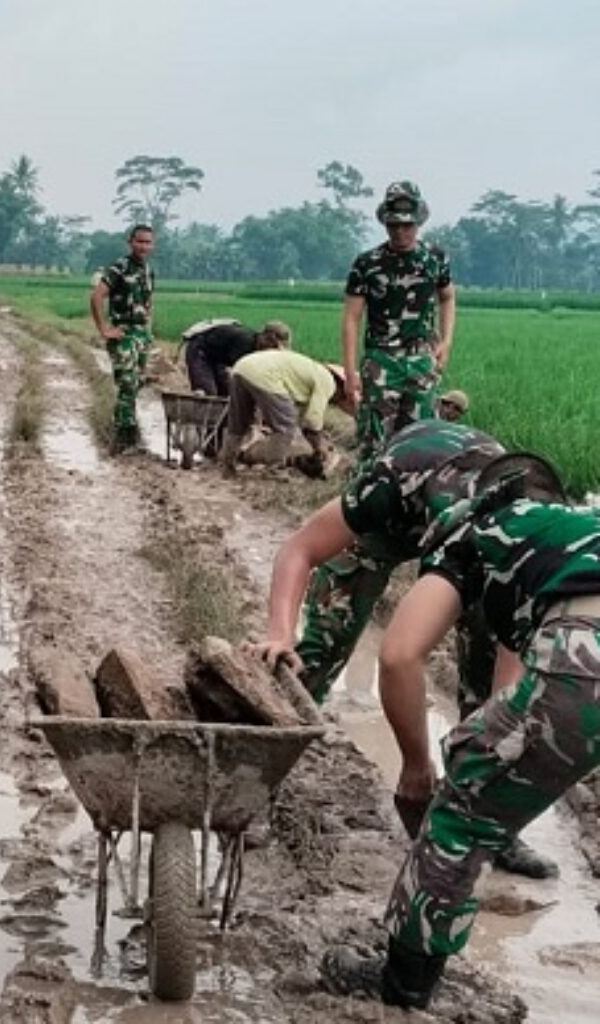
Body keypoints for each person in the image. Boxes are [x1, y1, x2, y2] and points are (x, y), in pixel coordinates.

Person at [322, 457, 594, 1010]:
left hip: (585, 652)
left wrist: (420, 767)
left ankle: (402, 987)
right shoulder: (565, 533)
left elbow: (398, 655)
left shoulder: (467, 531)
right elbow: (512, 691)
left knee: (462, 814)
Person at [251, 419, 558, 879]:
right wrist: (279, 632)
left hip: (469, 529)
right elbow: (301, 550)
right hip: (390, 519)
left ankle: (485, 824)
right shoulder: (390, 483)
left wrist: (490, 744)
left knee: (488, 673)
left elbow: (508, 670)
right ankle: (255, 789)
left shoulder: (532, 533)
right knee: (313, 653)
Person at [342, 181, 456, 459]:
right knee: (375, 442)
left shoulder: (435, 258)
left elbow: (448, 297)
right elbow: (352, 318)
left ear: (418, 223)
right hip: (381, 360)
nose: (401, 232)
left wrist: (446, 341)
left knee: (422, 441)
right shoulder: (368, 263)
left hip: (421, 362)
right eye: (394, 226)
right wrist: (349, 372)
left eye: (407, 226)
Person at [218, 350, 352, 475]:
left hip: (241, 368)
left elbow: (305, 419)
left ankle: (227, 463)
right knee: (285, 427)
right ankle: (275, 469)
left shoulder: (311, 373)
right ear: (341, 387)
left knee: (239, 422)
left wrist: (315, 439)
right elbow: (312, 421)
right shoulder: (328, 382)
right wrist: (320, 447)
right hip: (265, 376)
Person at [90, 225, 155, 453]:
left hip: (141, 335)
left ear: (152, 245)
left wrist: (149, 332)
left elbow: (149, 303)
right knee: (127, 382)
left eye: (148, 242)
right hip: (123, 334)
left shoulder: (148, 270)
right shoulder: (120, 267)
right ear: (130, 242)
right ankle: (122, 438)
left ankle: (130, 435)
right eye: (140, 242)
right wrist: (104, 329)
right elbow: (97, 295)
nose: (143, 246)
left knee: (136, 384)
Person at [182, 319, 290, 397]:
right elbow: (239, 372)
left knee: (225, 394)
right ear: (266, 338)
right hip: (200, 352)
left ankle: (217, 427)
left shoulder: (256, 347)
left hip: (217, 358)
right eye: (274, 346)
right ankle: (203, 424)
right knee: (209, 393)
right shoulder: (244, 342)